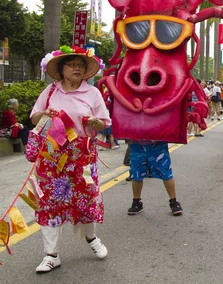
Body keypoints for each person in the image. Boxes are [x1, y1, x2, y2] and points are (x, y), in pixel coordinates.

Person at [28, 46, 110, 273]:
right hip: (52, 156)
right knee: (49, 203)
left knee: (86, 200)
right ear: (61, 69)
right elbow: (34, 117)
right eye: (72, 65)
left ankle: (91, 238)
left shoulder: (92, 93)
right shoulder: (51, 91)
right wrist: (45, 115)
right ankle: (51, 255)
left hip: (81, 156)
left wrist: (94, 121)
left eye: (81, 65)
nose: (77, 68)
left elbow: (105, 122)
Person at [126, 140, 183, 216]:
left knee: (166, 173)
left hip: (158, 143)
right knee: (136, 174)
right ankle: (136, 202)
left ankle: (173, 201)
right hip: (137, 144)